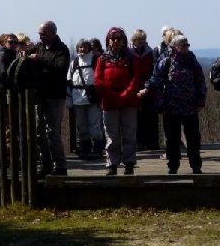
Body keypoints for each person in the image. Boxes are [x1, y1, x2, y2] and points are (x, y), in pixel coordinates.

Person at [142, 35, 206, 174]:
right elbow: (156, 79)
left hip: (190, 106)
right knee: (172, 138)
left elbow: (200, 81)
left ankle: (196, 165)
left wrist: (201, 101)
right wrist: (150, 91)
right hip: (171, 106)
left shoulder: (192, 61)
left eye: (187, 45)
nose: (185, 48)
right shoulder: (166, 61)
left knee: (193, 137)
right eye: (182, 45)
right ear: (175, 47)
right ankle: (173, 166)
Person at [94, 27, 141, 175]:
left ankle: (129, 164)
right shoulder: (102, 58)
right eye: (113, 38)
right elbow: (97, 80)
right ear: (108, 40)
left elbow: (136, 78)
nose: (116, 41)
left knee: (129, 134)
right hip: (109, 102)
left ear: (124, 40)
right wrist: (111, 95)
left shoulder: (131, 57)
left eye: (119, 38)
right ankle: (112, 164)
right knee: (111, 135)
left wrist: (126, 94)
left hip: (128, 101)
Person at [28, 21, 71, 176]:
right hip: (41, 95)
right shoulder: (39, 46)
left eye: (43, 34)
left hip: (55, 96)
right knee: (39, 132)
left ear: (53, 33)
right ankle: (46, 164)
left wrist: (41, 60)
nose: (40, 37)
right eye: (39, 34)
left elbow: (60, 68)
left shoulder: (62, 49)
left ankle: (60, 165)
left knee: (52, 132)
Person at [67, 39, 104, 160]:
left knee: (95, 125)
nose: (83, 49)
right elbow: (68, 81)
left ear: (89, 48)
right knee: (81, 126)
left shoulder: (95, 61)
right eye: (80, 47)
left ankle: (98, 149)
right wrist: (69, 100)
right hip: (77, 98)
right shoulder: (74, 63)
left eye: (85, 47)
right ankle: (85, 149)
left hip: (92, 99)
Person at [130, 29, 159, 151]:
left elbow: (154, 71)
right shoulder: (128, 53)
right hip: (133, 88)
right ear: (134, 40)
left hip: (149, 88)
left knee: (151, 116)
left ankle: (152, 142)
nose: (142, 42)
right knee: (136, 117)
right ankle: (138, 143)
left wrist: (147, 86)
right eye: (139, 39)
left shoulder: (150, 53)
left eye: (143, 39)